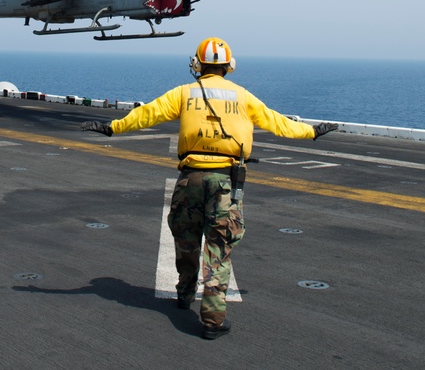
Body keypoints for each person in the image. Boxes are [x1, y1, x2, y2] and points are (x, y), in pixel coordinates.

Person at [81, 37, 337, 340]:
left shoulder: (183, 93)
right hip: (226, 182)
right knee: (218, 249)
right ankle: (213, 321)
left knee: (186, 239)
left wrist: (112, 127)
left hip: (191, 179)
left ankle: (185, 292)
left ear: (198, 64)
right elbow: (277, 122)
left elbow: (147, 113)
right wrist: (311, 132)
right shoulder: (242, 96)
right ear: (229, 66)